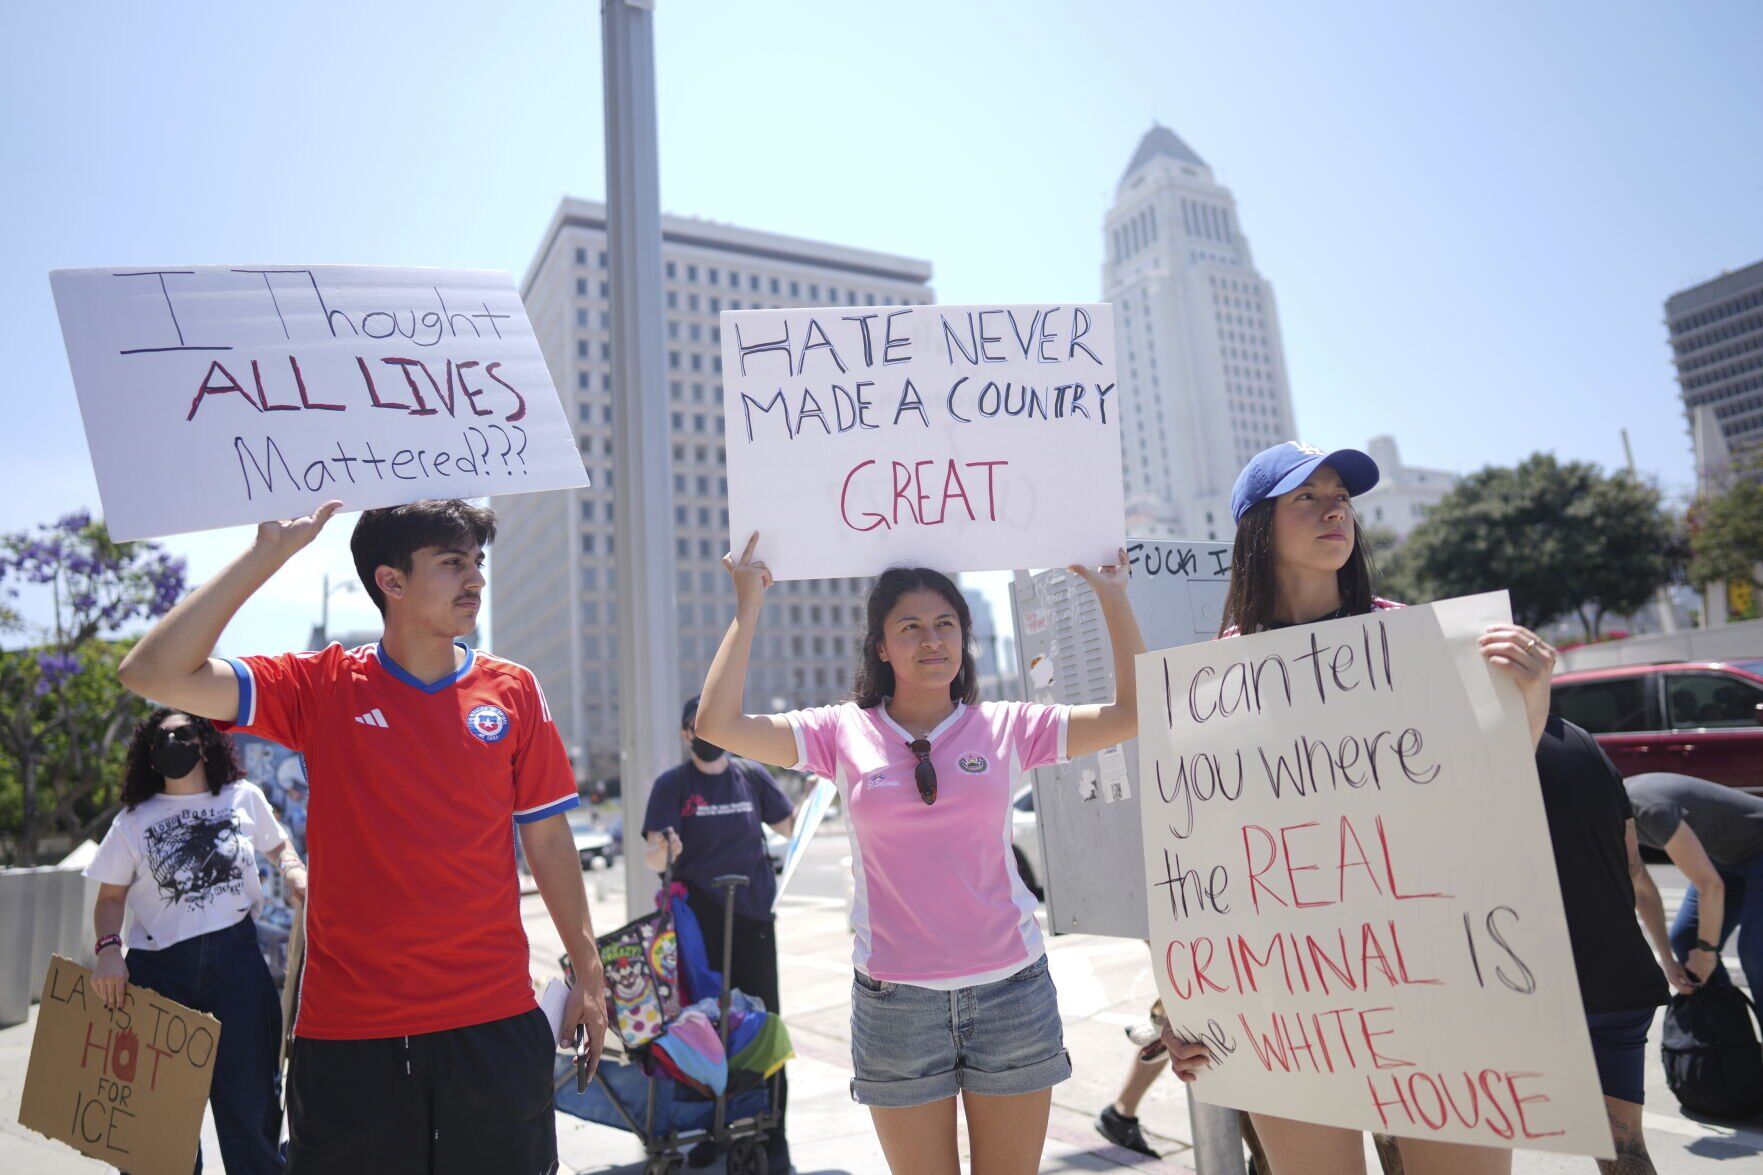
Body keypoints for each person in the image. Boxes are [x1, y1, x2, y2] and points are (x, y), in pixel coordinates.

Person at [116, 499, 608, 1175]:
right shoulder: (322, 685)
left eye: (477, 562)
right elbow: (152, 672)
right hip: (350, 1038)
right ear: (391, 581)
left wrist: (588, 970)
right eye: (451, 563)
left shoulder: (514, 690)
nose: (475, 580)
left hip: (494, 1023)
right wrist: (267, 554)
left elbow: (549, 840)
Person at [1158, 441, 1562, 1175]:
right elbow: (1190, 862)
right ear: (1257, 526)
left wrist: (1528, 698)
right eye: (1303, 498)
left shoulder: (1416, 639)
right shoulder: (1208, 682)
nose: (1331, 508)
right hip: (1289, 999)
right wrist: (1178, 1002)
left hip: (1437, 976)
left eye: (1338, 494)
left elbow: (1486, 792)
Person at [694, 533, 1146, 1175]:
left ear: (965, 638)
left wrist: (1112, 597)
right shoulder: (838, 732)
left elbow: (1133, 712)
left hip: (1011, 995)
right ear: (880, 646)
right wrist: (749, 606)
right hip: (896, 1007)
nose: (932, 640)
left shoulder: (1009, 726)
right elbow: (717, 724)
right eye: (910, 627)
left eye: (946, 624)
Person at [87, 708, 305, 1174]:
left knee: (253, 1118)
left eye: (182, 733)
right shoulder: (133, 821)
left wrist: (292, 868)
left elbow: (279, 844)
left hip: (238, 970)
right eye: (159, 738)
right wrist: (108, 948)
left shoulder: (243, 797)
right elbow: (110, 898)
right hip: (159, 977)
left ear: (205, 740)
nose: (172, 743)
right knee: (157, 1138)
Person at [644, 695, 797, 1171]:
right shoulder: (673, 785)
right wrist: (664, 849)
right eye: (698, 727)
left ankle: (773, 1133)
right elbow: (653, 853)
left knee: (763, 1025)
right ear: (686, 734)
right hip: (697, 928)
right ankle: (713, 1129)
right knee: (704, 1030)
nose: (707, 735)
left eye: (715, 725)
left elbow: (790, 826)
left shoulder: (750, 777)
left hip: (753, 921)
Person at [1531, 718, 1677, 1175]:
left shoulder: (1472, 737)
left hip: (1529, 983)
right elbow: (1633, 865)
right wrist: (1664, 955)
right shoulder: (1582, 741)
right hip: (1619, 976)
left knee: (1438, 1135)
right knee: (1624, 1147)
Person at [1625, 772, 1763, 996]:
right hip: (1726, 858)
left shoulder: (1651, 809)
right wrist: (1668, 961)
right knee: (1687, 940)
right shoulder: (1608, 823)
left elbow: (1710, 886)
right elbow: (1643, 892)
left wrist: (1707, 953)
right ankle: (1726, 1026)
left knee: (1756, 953)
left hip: (1758, 848)